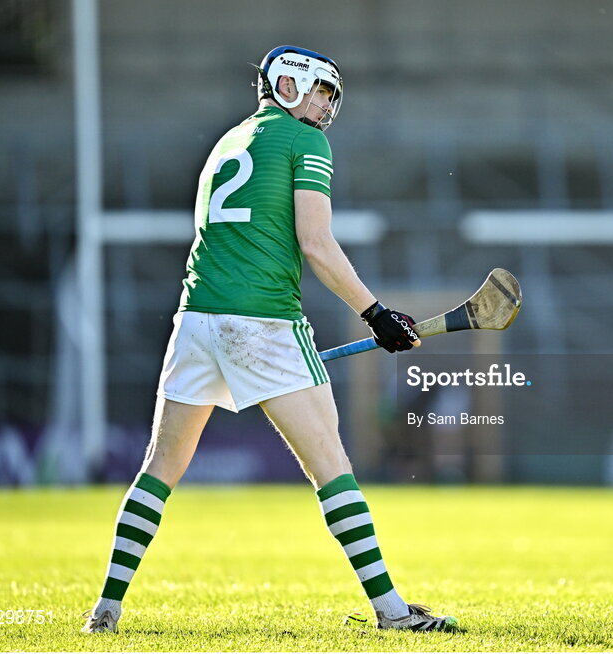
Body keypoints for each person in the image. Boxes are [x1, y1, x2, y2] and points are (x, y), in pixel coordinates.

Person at [81, 45, 458, 634]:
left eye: (331, 97)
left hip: (195, 319)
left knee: (160, 468)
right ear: (287, 84)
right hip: (264, 321)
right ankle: (392, 614)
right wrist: (375, 312)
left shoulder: (226, 143)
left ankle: (104, 611)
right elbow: (316, 243)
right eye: (320, 92)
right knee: (332, 465)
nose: (327, 107)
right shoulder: (306, 143)